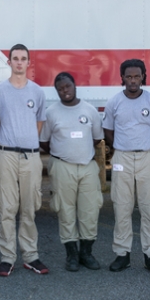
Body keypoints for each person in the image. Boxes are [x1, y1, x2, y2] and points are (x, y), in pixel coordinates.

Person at [103, 58, 150, 275]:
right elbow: (108, 131)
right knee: (122, 207)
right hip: (122, 159)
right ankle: (122, 254)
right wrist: (122, 148)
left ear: (143, 77)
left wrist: (146, 147)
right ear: (122, 78)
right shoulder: (114, 102)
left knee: (149, 207)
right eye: (128, 76)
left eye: (136, 76)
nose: (132, 80)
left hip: (147, 158)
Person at [0, 43, 47, 277]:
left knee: (29, 207)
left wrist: (26, 140)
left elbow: (38, 125)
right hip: (6, 155)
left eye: (23, 58)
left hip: (31, 157)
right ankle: (7, 257)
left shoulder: (37, 92)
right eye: (15, 58)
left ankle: (31, 256)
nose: (19, 62)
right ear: (9, 62)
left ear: (28, 62)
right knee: (7, 207)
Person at [40, 72, 104, 272]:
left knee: (90, 210)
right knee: (65, 210)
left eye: (67, 86)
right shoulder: (51, 112)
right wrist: (63, 153)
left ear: (74, 85)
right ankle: (72, 255)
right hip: (62, 166)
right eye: (60, 88)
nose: (64, 91)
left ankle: (86, 253)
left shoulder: (90, 110)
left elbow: (96, 138)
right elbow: (44, 142)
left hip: (87, 167)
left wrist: (79, 151)